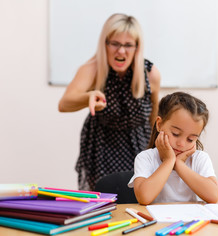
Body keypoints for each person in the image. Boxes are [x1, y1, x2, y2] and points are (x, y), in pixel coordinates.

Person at [58, 13, 161, 190]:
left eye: (128, 45)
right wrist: (87, 97)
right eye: (115, 43)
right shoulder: (93, 69)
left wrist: (160, 152)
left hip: (139, 144)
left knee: (139, 196)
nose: (121, 51)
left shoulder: (150, 74)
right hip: (102, 148)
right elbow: (64, 103)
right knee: (104, 198)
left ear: (137, 47)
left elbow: (155, 117)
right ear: (105, 44)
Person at [128, 92, 218, 205]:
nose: (181, 144)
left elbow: (213, 196)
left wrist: (179, 165)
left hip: (189, 220)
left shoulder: (199, 158)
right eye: (175, 134)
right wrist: (169, 161)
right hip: (157, 221)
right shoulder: (145, 158)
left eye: (190, 139)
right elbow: (144, 197)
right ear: (159, 124)